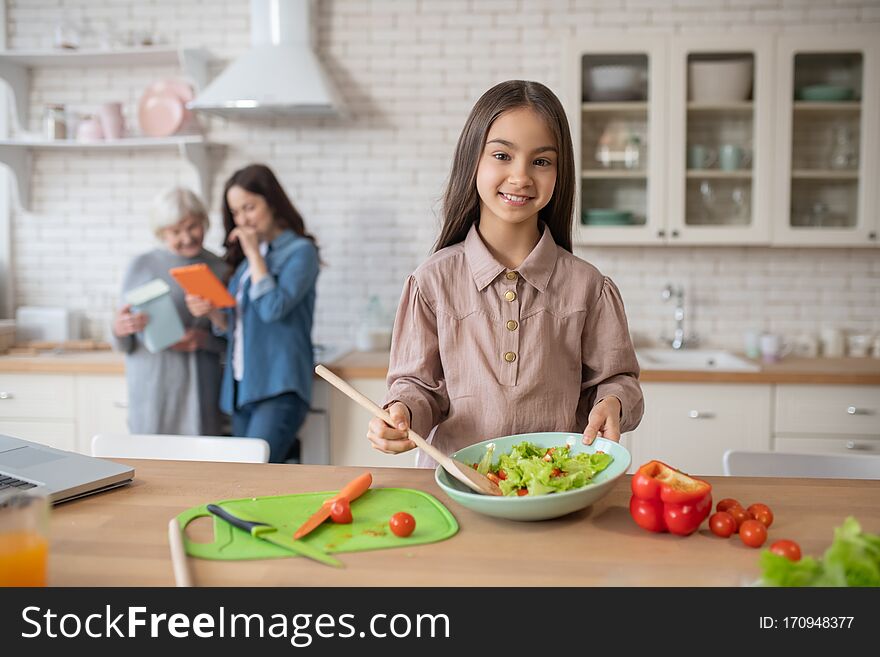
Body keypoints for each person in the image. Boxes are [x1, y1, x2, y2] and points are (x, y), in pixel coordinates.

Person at [367, 80, 644, 467]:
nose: (521, 176)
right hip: (456, 488)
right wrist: (402, 414)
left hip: (556, 488)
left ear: (560, 173)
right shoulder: (431, 282)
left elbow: (619, 381)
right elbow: (417, 387)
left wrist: (613, 401)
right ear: (473, 161)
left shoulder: (589, 288)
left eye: (541, 161)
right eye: (502, 155)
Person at [186, 164, 320, 463]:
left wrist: (255, 255)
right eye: (236, 212)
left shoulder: (300, 252)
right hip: (241, 387)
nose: (243, 219)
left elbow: (273, 309)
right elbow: (237, 325)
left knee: (252, 474)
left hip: (279, 386)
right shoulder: (248, 263)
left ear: (271, 202)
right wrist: (214, 314)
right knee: (242, 477)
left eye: (249, 207)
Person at [112, 187, 228, 435]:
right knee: (152, 459)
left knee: (200, 460)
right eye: (176, 231)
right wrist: (119, 329)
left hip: (200, 384)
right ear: (161, 232)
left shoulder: (220, 268)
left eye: (193, 227)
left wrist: (204, 340)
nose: (187, 238)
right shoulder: (141, 266)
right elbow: (121, 340)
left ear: (204, 223)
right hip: (153, 385)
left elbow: (234, 339)